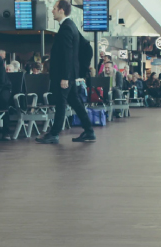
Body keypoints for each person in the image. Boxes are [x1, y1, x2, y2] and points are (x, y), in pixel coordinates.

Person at [36, 0, 96, 144]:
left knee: (61, 102)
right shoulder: (71, 26)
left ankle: (55, 133)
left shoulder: (67, 28)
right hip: (69, 74)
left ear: (61, 10)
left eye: (54, 8)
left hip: (65, 76)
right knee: (74, 101)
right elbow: (86, 47)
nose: (52, 11)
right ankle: (89, 131)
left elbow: (67, 55)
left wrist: (65, 77)